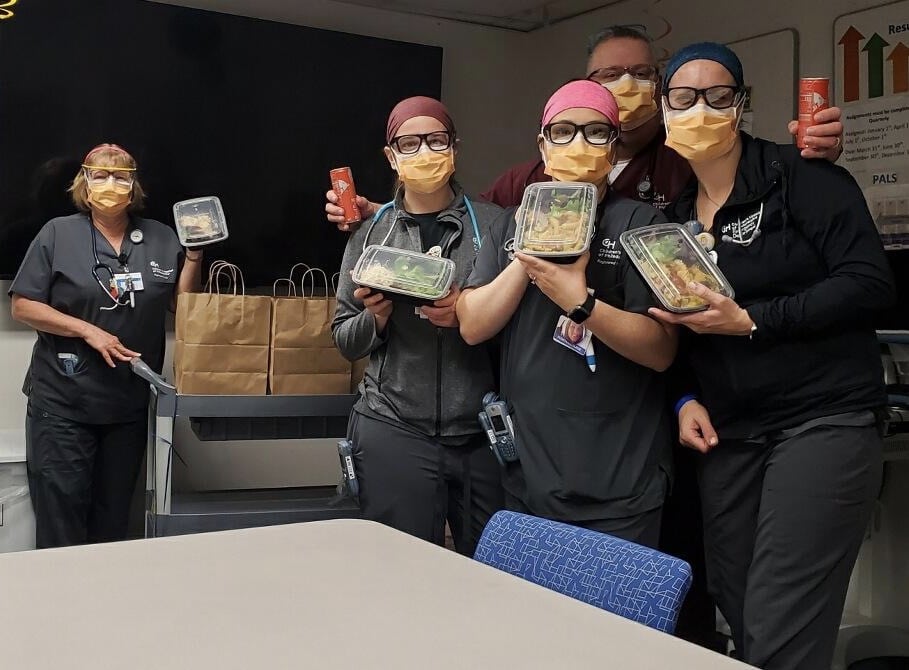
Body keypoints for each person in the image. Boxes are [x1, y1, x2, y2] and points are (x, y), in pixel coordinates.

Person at [648, 43, 895, 669]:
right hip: (731, 432)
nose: (700, 110)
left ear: (741, 104)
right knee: (737, 601)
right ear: (663, 108)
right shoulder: (672, 221)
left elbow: (870, 284)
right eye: (683, 98)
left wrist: (755, 320)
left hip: (822, 418)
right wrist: (683, 398)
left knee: (782, 620)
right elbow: (682, 332)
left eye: (717, 96)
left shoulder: (801, 177)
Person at [326, 24, 845, 224]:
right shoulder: (527, 181)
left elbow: (753, 174)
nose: (627, 84)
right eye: (610, 75)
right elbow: (467, 224)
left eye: (642, 73)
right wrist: (384, 213)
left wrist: (814, 153)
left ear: (661, 88)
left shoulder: (689, 156)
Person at [456, 80, 676, 548]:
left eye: (596, 132)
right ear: (543, 145)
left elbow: (660, 350)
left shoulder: (640, 225)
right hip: (529, 477)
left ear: (613, 146)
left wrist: (584, 304)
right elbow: (472, 325)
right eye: (563, 131)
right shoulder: (510, 225)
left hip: (618, 483)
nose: (579, 143)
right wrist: (530, 250)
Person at [332, 97, 504, 556]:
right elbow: (344, 339)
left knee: (492, 574)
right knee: (402, 569)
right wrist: (376, 318)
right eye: (409, 143)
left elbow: (517, 326)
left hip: (481, 433)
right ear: (391, 156)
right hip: (394, 425)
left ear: (455, 148)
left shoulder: (492, 226)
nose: (425, 152)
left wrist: (468, 311)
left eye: (436, 140)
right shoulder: (370, 233)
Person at [9, 143, 203, 548]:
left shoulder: (161, 237)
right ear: (84, 183)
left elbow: (182, 307)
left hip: (126, 406)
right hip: (63, 404)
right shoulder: (57, 233)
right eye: (100, 175)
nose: (110, 184)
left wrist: (194, 259)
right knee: (61, 522)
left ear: (134, 186)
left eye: (120, 176)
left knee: (114, 524)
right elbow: (23, 305)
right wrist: (87, 330)